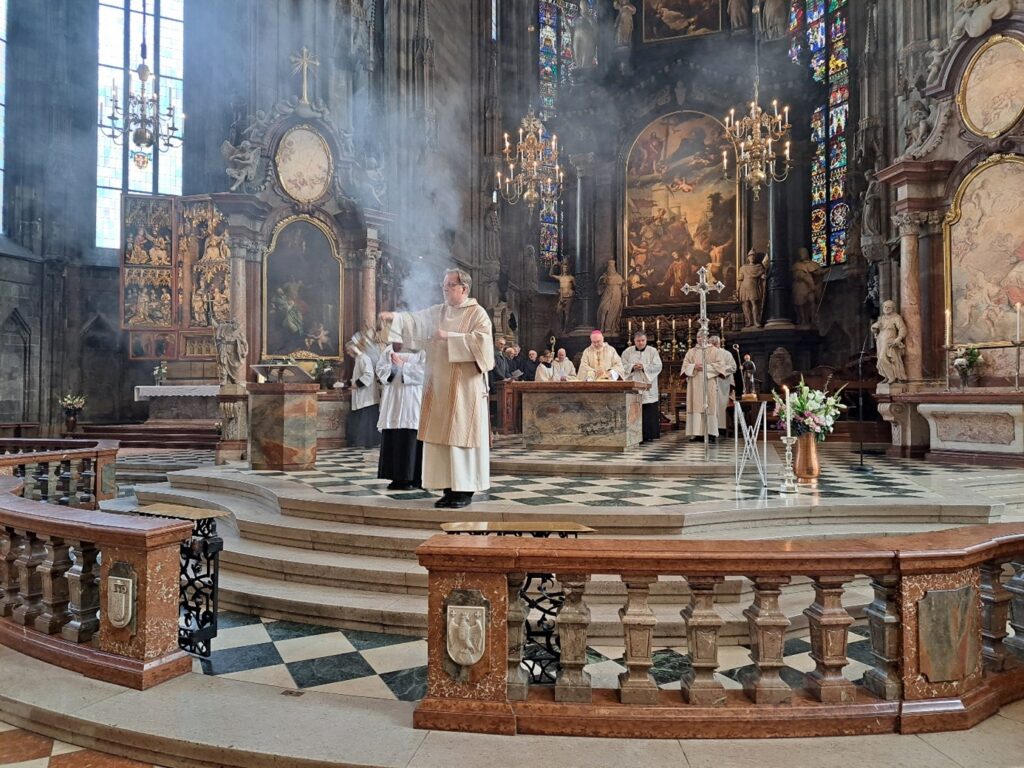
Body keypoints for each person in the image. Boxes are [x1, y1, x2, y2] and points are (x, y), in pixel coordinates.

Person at [379, 268, 494, 509]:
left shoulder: (477, 313)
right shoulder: (438, 311)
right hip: (439, 386)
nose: (445, 288)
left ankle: (464, 489)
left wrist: (449, 337)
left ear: (464, 288)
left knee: (460, 438)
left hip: (464, 389)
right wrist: (395, 318)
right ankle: (448, 488)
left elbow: (483, 346)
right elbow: (415, 320)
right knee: (441, 440)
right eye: (444, 284)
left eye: (450, 284)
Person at [375, 341, 426, 490]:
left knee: (412, 435)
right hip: (393, 399)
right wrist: (393, 368)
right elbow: (380, 369)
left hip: (413, 398)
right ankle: (396, 478)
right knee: (394, 435)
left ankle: (415, 478)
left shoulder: (422, 349)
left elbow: (426, 372)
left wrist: (404, 366)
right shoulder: (389, 349)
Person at [681, 332, 727, 441]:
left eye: (702, 337)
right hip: (695, 383)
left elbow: (721, 366)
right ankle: (697, 433)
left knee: (710, 407)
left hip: (709, 381)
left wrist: (706, 368)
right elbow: (685, 366)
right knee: (696, 407)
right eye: (698, 337)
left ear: (707, 338)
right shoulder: (691, 352)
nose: (700, 339)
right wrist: (694, 366)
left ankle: (711, 434)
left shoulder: (715, 351)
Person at [621, 331, 664, 442]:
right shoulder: (628, 352)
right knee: (634, 409)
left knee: (648, 410)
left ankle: (649, 435)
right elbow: (621, 366)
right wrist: (632, 367)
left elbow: (658, 366)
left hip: (648, 386)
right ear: (634, 341)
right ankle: (634, 435)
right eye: (638, 341)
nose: (640, 343)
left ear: (646, 340)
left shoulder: (652, 351)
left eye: (642, 340)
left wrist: (644, 367)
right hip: (633, 384)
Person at [346, 336, 381, 448]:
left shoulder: (364, 358)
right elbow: (358, 375)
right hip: (362, 396)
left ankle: (369, 442)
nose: (347, 353)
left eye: (348, 350)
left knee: (367, 421)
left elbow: (369, 375)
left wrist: (356, 384)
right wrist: (349, 383)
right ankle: (361, 442)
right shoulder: (359, 359)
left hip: (367, 397)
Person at [871, 299, 908, 383]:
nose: (886, 308)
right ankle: (887, 376)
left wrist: (899, 338)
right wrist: (874, 328)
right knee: (880, 360)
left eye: (889, 307)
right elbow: (876, 326)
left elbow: (903, 329)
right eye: (885, 307)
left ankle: (892, 376)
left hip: (889, 340)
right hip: (880, 340)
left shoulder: (896, 317)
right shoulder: (882, 318)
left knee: (883, 358)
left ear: (893, 308)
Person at [708, 335, 737, 436]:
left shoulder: (726, 354)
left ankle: (721, 428)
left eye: (711, 344)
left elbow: (733, 367)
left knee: (721, 405)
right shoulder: (707, 354)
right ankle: (710, 428)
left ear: (716, 344)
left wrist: (719, 370)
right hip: (710, 383)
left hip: (722, 384)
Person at [597, 260, 627, 337]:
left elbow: (623, 286)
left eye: (612, 267)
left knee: (613, 311)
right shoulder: (604, 276)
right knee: (603, 309)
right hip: (607, 293)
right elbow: (600, 285)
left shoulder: (618, 277)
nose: (611, 268)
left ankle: (609, 328)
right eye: (610, 267)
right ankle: (601, 327)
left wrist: (624, 289)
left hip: (616, 295)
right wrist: (603, 281)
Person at [737, 250, 767, 328]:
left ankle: (756, 321)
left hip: (753, 287)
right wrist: (737, 289)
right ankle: (749, 321)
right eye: (750, 256)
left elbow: (762, 275)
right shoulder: (743, 267)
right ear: (748, 258)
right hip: (744, 287)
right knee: (746, 304)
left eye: (753, 256)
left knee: (754, 303)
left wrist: (763, 276)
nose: (752, 257)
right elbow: (740, 279)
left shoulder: (759, 267)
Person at [550, 261, 576, 332]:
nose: (565, 269)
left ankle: (565, 329)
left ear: (568, 269)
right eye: (564, 268)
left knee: (567, 313)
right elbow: (551, 275)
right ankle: (561, 328)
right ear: (562, 269)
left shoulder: (571, 278)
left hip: (569, 297)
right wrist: (553, 266)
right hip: (561, 297)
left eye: (566, 268)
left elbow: (576, 287)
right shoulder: (560, 277)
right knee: (558, 312)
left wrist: (572, 291)